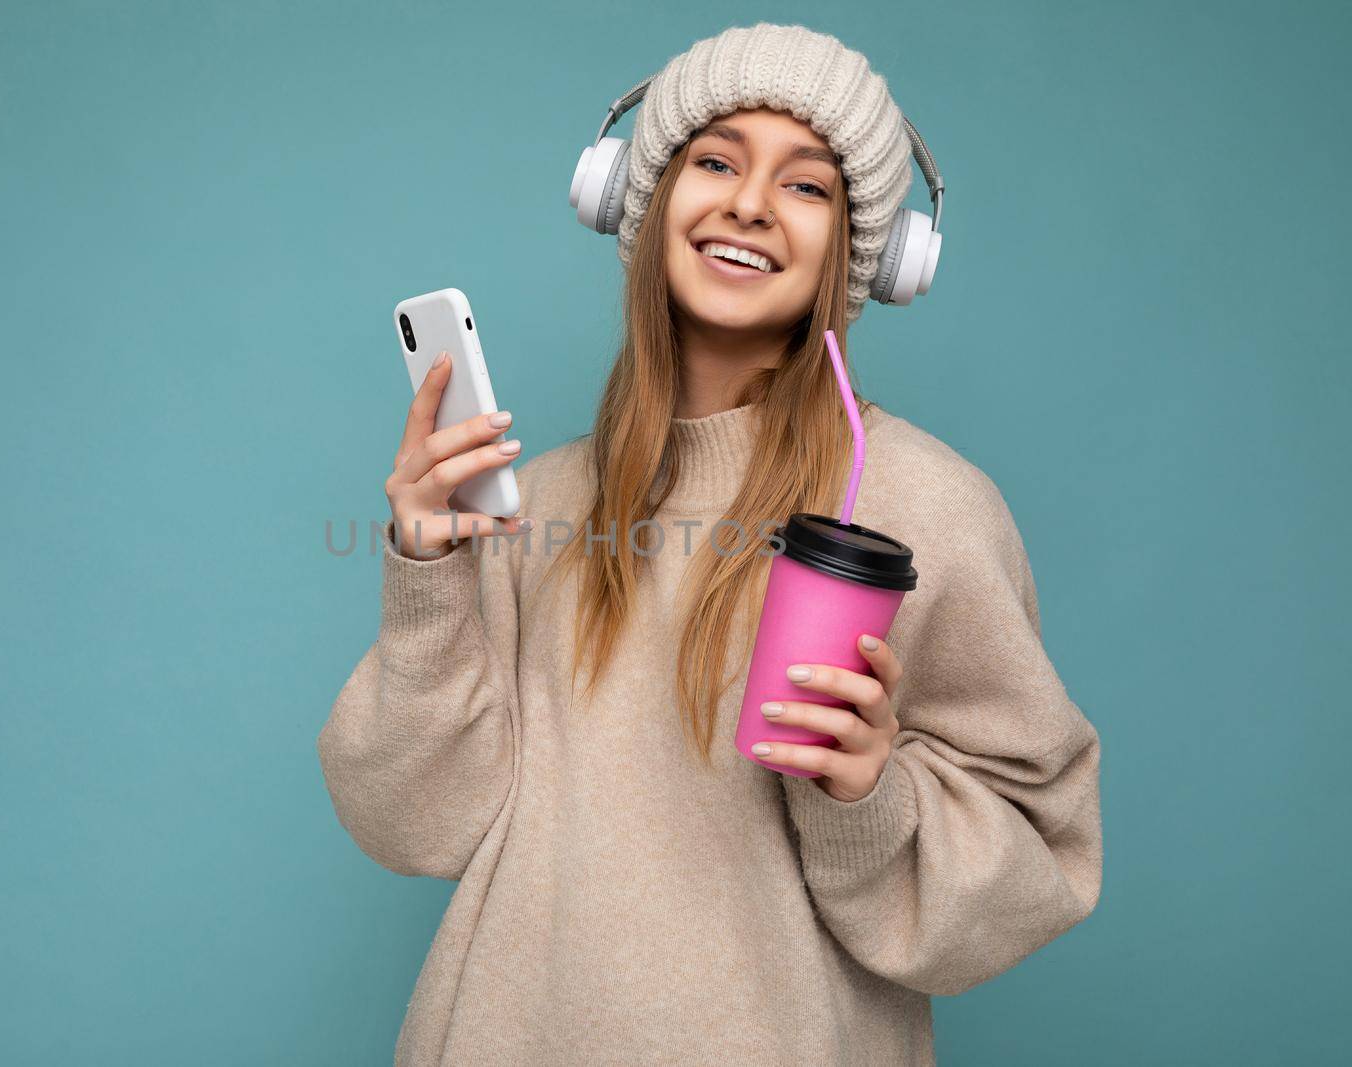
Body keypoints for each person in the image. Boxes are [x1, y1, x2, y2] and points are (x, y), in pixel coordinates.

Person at [317, 22, 1102, 1066]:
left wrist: (871, 792)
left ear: (866, 251)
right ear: (635, 200)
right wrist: (428, 571)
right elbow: (413, 823)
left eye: (807, 186)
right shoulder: (534, 502)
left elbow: (1037, 854)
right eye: (715, 161)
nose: (747, 203)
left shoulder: (925, 504)